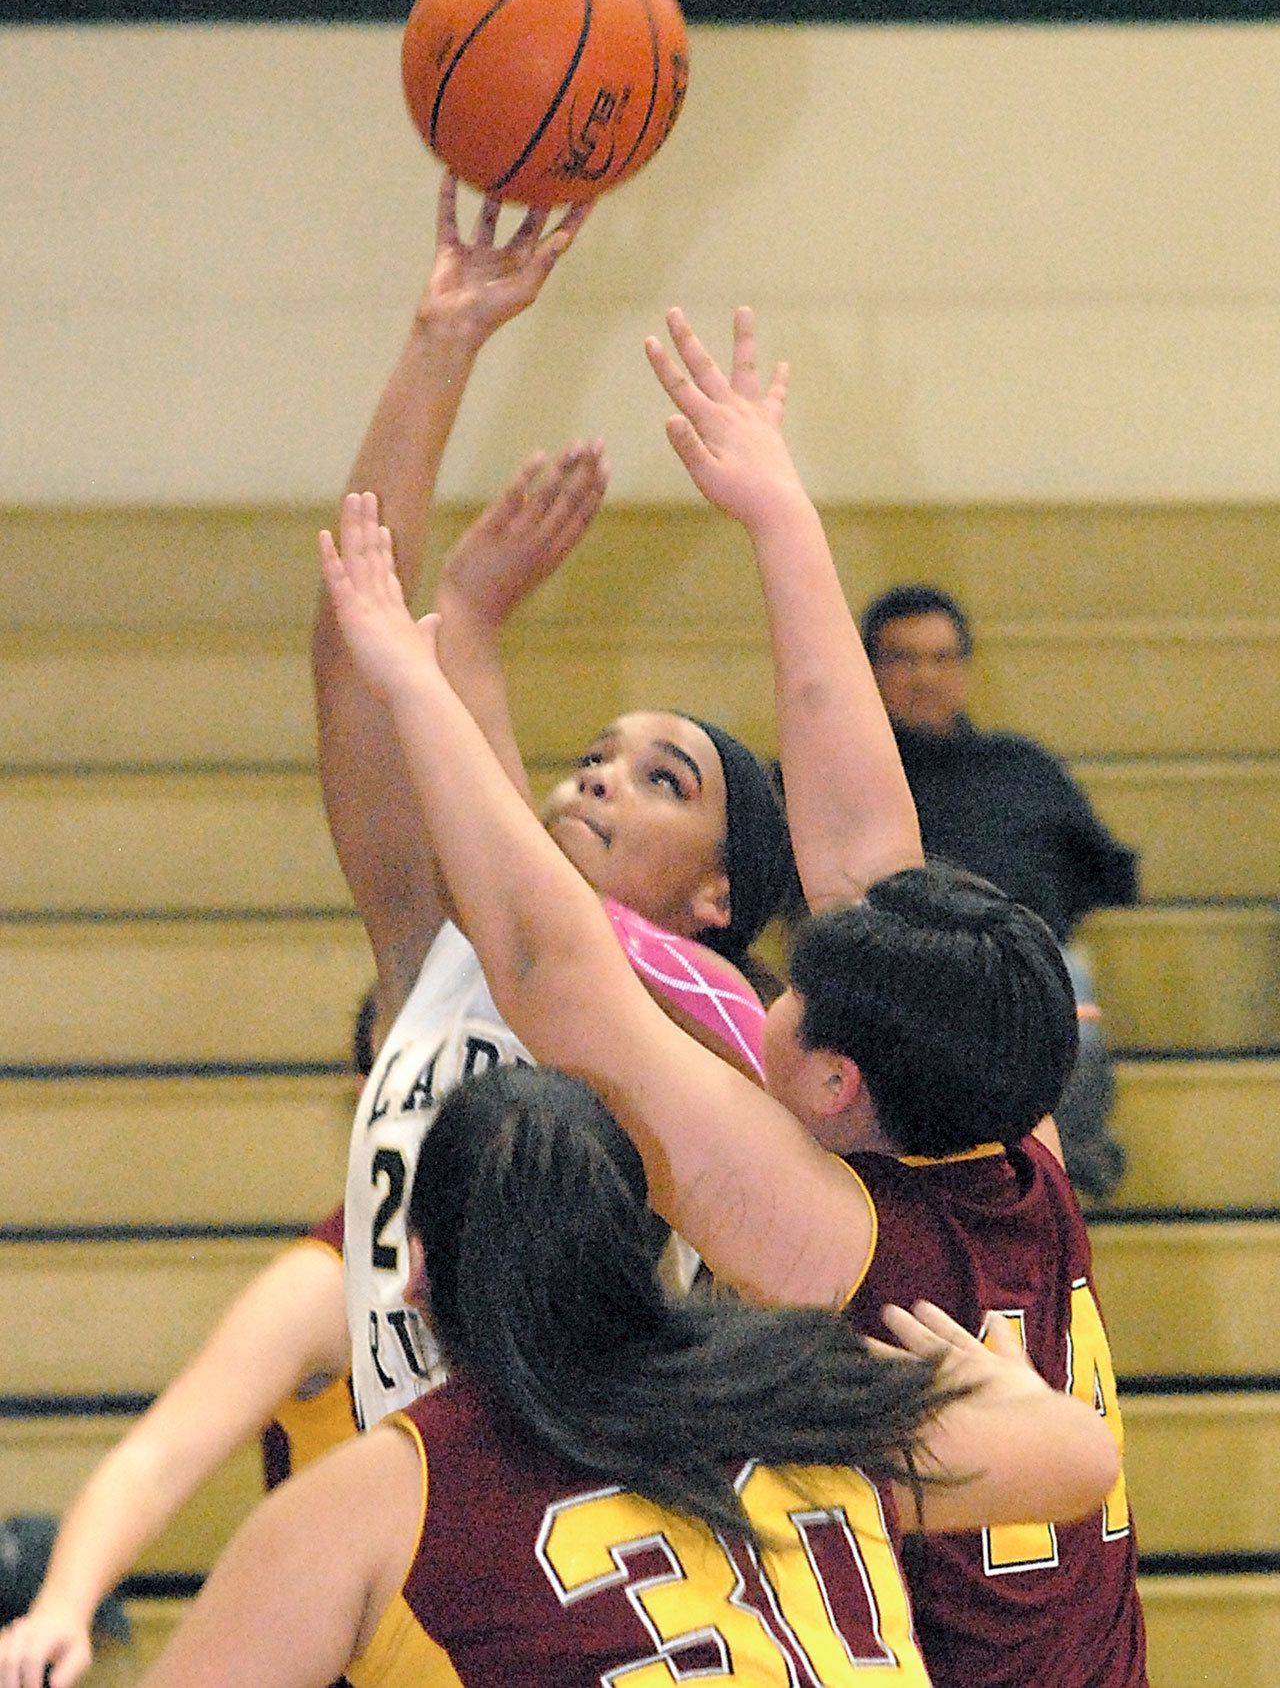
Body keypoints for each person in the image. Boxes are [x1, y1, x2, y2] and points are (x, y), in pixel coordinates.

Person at [318, 302, 1149, 1688]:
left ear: (831, 1085)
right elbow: (868, 854)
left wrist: (421, 676)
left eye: (799, 993)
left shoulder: (837, 1231)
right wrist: (778, 515)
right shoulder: (1024, 1151)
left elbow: (554, 976)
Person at [135, 1063, 1120, 1688]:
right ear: (652, 1243)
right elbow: (1078, 1459)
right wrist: (994, 1379)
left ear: (419, 1264)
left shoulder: (376, 1495)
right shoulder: (800, 1385)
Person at [313, 177, 793, 1430]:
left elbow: (550, 947)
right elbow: (351, 649)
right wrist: (443, 341)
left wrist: (464, 643)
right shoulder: (444, 954)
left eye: (660, 778)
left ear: (718, 892)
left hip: (586, 1536)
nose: (599, 774)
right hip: (416, 1524)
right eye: (597, 752)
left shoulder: (698, 1045)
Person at [0, 985, 377, 1688]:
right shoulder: (325, 1288)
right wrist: (62, 1604)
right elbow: (153, 1459)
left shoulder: (543, 1273)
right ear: (370, 1095)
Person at [859, 582, 1139, 1197]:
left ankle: (1069, 1164)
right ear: (868, 670)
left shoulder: (1022, 765)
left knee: (1071, 985)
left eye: (942, 658)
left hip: (1021, 965)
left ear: (965, 668)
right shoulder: (840, 770)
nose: (925, 678)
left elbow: (1112, 874)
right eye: (903, 660)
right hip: (898, 968)